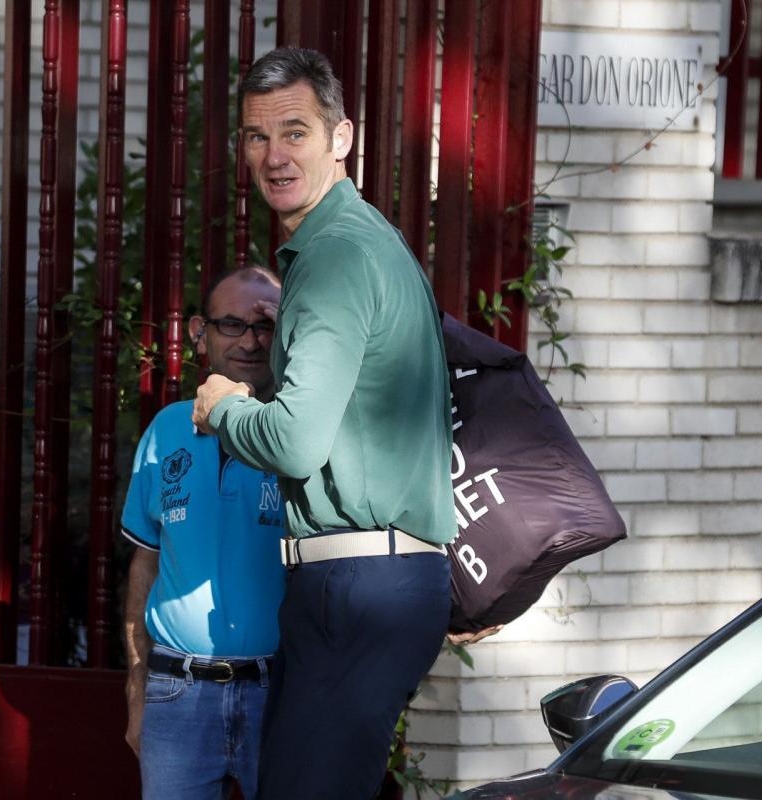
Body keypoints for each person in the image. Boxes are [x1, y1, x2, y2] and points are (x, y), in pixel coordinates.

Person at [192, 47, 457, 799]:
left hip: (358, 585)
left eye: (295, 132)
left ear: (342, 137)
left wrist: (224, 407)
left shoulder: (336, 254)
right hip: (373, 582)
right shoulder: (364, 238)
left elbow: (296, 441)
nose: (274, 156)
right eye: (257, 136)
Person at [122, 265, 285, 800]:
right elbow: (145, 564)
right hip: (178, 694)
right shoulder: (165, 430)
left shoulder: (303, 436)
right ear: (200, 332)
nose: (250, 342)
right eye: (232, 324)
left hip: (281, 694)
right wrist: (137, 689)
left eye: (267, 325)